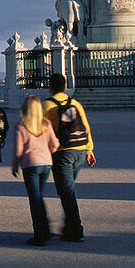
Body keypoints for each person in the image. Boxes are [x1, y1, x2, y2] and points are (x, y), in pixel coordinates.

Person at [43, 73, 95, 242]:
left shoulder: (47, 106)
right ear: (65, 86)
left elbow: (41, 131)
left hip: (62, 152)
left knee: (66, 191)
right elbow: (85, 126)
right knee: (67, 189)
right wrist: (89, 150)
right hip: (79, 150)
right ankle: (68, 227)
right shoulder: (75, 104)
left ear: (50, 87)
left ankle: (76, 229)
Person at [11, 95, 59, 246]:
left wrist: (14, 165)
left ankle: (39, 234)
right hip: (46, 164)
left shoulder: (21, 125)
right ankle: (46, 228)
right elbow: (55, 145)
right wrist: (47, 151)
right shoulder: (46, 124)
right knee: (39, 197)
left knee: (34, 200)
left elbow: (19, 150)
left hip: (30, 165)